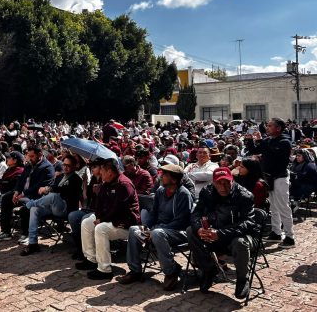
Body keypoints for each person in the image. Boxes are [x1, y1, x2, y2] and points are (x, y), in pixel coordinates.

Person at [118, 163, 193, 290]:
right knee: (134, 230)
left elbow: (181, 221)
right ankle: (135, 270)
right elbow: (153, 214)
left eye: (165, 175)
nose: (161, 177)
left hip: (178, 232)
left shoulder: (183, 194)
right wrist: (147, 227)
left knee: (157, 233)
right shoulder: (160, 191)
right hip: (157, 230)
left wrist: (156, 230)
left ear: (174, 179)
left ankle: (171, 271)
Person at [186, 167, 256, 299]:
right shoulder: (207, 192)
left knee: (240, 242)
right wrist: (199, 229)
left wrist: (220, 233)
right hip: (213, 234)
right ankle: (209, 270)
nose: (223, 187)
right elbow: (196, 213)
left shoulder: (244, 195)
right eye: (219, 183)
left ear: (232, 181)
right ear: (213, 183)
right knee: (191, 231)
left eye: (226, 182)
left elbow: (248, 223)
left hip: (237, 237)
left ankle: (242, 278)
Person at [75, 158, 140, 280]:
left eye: (103, 171)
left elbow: (118, 209)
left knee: (101, 229)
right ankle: (91, 259)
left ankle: (104, 269)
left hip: (125, 223)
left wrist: (102, 219)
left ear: (110, 172)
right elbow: (99, 203)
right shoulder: (107, 183)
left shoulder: (124, 184)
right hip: (110, 219)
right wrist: (98, 216)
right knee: (87, 222)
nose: (101, 173)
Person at [245, 118, 294, 247]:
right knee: (273, 207)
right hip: (268, 178)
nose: (267, 128)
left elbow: (273, 153)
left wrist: (260, 141)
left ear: (278, 128)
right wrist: (249, 140)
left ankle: (290, 237)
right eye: (267, 125)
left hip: (280, 177)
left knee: (283, 206)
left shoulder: (285, 141)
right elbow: (255, 150)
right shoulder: (268, 140)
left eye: (270, 126)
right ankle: (276, 232)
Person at [21, 154, 83, 255]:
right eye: (64, 165)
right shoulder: (60, 176)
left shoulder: (77, 179)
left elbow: (65, 191)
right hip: (52, 207)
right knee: (34, 209)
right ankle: (33, 243)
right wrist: (46, 190)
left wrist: (49, 189)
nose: (65, 167)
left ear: (74, 166)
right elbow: (52, 188)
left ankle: (30, 204)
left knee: (54, 195)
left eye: (68, 165)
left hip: (65, 208)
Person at [0, 146, 54, 243]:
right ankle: (6, 232)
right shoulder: (29, 164)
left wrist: (23, 193)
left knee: (25, 207)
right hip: (24, 194)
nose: (30, 158)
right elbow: (21, 180)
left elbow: (40, 185)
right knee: (6, 198)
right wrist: (17, 191)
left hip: (36, 196)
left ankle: (26, 234)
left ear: (40, 155)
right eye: (29, 156)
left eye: (32, 156)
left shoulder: (47, 167)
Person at [68, 159, 102, 260]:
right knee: (72, 216)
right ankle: (80, 247)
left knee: (85, 219)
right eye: (91, 167)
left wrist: (100, 191)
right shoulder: (94, 179)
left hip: (99, 210)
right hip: (90, 208)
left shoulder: (106, 179)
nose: (92, 169)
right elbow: (87, 196)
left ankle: (88, 251)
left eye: (95, 167)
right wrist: (84, 183)